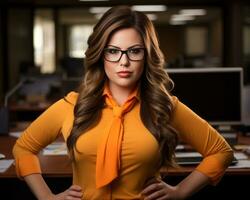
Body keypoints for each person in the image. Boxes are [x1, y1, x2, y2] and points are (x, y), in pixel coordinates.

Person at [13, 5, 234, 200]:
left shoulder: (165, 106)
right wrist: (46, 197)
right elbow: (24, 148)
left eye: (135, 51)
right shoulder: (72, 105)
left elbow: (221, 151)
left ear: (147, 55)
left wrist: (180, 192)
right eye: (113, 51)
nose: (124, 61)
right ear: (100, 55)